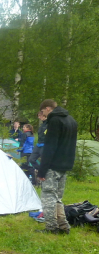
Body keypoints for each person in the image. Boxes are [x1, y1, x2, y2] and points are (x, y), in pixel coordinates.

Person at [37, 99, 78, 235]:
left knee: (48, 197)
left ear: (48, 109)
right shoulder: (71, 120)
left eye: (42, 111)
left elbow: (50, 147)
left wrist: (42, 171)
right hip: (65, 165)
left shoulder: (54, 121)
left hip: (53, 166)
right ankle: (63, 226)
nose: (43, 114)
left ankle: (51, 227)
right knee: (58, 198)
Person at [27, 110, 48, 184]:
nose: (39, 117)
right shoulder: (42, 125)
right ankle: (40, 171)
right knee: (31, 159)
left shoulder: (49, 124)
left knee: (43, 161)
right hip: (38, 144)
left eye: (40, 116)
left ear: (44, 115)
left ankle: (45, 175)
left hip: (45, 145)